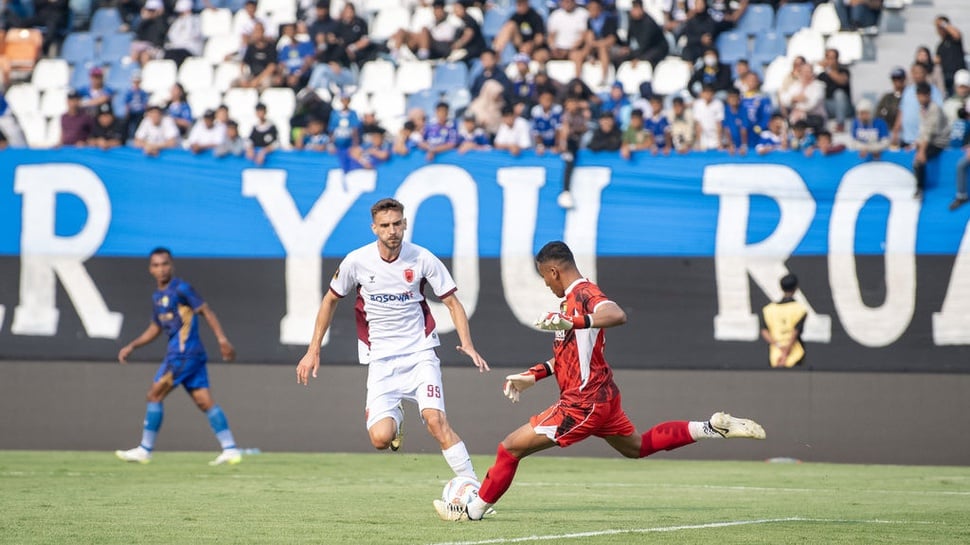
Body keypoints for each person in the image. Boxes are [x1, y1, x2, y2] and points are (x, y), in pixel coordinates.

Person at [433, 241, 766, 521]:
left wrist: (575, 319)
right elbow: (569, 356)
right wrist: (533, 375)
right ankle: (711, 427)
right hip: (603, 397)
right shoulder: (570, 303)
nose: (546, 286)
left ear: (553, 272)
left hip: (581, 405)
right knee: (637, 447)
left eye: (545, 279)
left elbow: (616, 314)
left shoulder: (584, 294)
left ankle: (473, 511)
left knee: (509, 448)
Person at [295, 198, 489, 481]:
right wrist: (313, 350)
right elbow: (329, 301)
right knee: (380, 439)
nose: (392, 231)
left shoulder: (422, 258)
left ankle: (474, 488)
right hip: (381, 360)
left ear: (405, 224)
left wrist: (467, 343)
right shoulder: (357, 261)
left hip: (420, 353)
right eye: (385, 225)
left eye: (397, 224)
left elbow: (452, 303)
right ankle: (395, 416)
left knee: (435, 421)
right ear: (374, 228)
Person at [115, 247, 242, 465]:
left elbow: (206, 311)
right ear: (150, 269)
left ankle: (145, 449)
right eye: (156, 265)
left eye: (165, 264)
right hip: (191, 355)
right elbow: (156, 328)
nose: (161, 269)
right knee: (204, 401)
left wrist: (222, 340)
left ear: (171, 266)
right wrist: (133, 345)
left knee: (154, 395)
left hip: (183, 354)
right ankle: (230, 448)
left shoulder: (182, 289)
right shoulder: (158, 296)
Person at [760, 273, 807, 369]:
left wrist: (778, 346)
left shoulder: (769, 309)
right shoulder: (800, 309)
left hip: (775, 353)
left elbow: (764, 331)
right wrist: (785, 354)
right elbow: (796, 331)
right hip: (795, 353)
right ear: (796, 288)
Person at [911, 82, 950, 200]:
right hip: (928, 141)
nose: (920, 98)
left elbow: (930, 132)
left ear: (929, 95)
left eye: (923, 95)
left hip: (939, 142)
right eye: (919, 95)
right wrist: (916, 143)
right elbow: (922, 130)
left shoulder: (934, 108)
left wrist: (922, 151)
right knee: (916, 159)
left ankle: (920, 189)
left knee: (919, 161)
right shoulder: (922, 109)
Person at [934, 16, 967, 96]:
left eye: (941, 27)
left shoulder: (954, 40)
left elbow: (957, 34)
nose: (939, 30)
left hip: (958, 75)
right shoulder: (940, 46)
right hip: (946, 77)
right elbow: (937, 61)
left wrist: (943, 23)